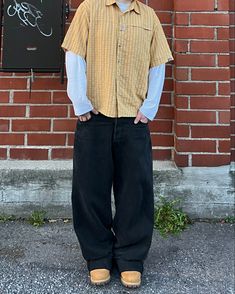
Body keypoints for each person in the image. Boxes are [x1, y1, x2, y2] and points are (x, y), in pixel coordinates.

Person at [61, 0, 173, 288]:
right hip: (93, 116)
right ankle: (97, 257)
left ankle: (131, 259)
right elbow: (75, 54)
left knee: (135, 189)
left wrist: (150, 108)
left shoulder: (149, 17)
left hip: (133, 120)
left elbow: (157, 64)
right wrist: (80, 100)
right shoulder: (90, 8)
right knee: (89, 188)